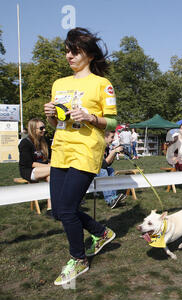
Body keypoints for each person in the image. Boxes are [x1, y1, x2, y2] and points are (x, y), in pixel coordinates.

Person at [43, 27, 118, 286]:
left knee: (65, 209)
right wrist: (51, 115)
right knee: (61, 211)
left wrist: (90, 117)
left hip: (86, 151)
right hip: (60, 150)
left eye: (74, 51)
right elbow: (56, 125)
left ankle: (78, 259)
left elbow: (113, 121)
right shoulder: (59, 84)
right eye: (67, 51)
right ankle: (101, 232)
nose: (69, 56)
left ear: (89, 54)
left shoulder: (102, 85)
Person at [18, 118, 52, 214]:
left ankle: (50, 208)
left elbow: (50, 158)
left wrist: (51, 163)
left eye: (44, 127)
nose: (44, 130)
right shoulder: (25, 143)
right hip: (28, 170)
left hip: (45, 169)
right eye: (41, 128)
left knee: (51, 176)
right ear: (33, 129)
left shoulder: (45, 141)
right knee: (55, 170)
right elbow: (30, 163)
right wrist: (50, 166)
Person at [97, 131, 126, 208]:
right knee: (103, 171)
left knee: (110, 170)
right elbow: (103, 165)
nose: (113, 140)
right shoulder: (98, 146)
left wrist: (115, 152)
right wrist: (113, 151)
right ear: (105, 137)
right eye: (112, 137)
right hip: (88, 171)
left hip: (97, 169)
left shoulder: (106, 147)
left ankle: (114, 197)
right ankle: (110, 200)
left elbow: (108, 164)